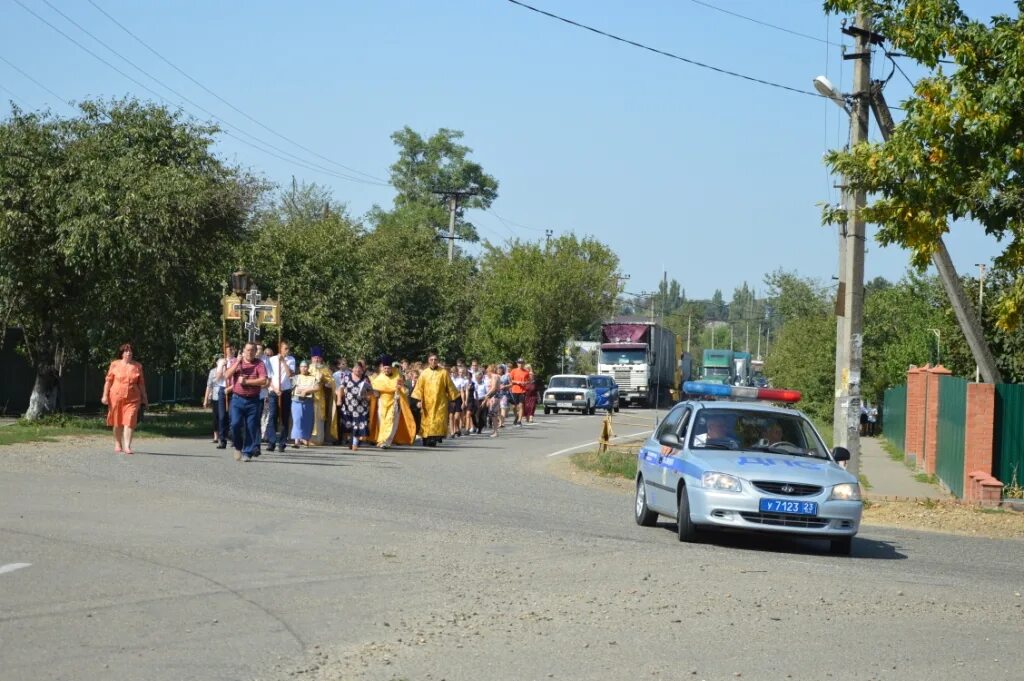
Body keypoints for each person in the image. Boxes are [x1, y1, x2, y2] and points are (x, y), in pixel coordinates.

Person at [223, 341, 269, 462]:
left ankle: (247, 452)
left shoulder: (259, 364)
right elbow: (227, 375)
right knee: (235, 424)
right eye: (247, 350)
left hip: (253, 400)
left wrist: (247, 382)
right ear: (243, 351)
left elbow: (263, 380)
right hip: (237, 399)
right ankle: (238, 446)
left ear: (256, 352)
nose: (250, 352)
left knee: (251, 427)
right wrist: (237, 362)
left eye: (252, 350)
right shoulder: (236, 362)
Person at [101, 342, 149, 455]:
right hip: (116, 397)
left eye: (130, 351)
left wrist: (145, 398)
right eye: (126, 351)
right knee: (117, 422)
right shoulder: (114, 364)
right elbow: (108, 381)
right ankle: (118, 443)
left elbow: (141, 384)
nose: (129, 353)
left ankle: (127, 446)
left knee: (130, 420)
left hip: (133, 398)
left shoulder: (138, 366)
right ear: (122, 354)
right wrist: (104, 395)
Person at [411, 353, 460, 447]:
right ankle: (426, 438)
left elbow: (450, 386)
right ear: (428, 361)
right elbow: (419, 388)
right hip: (427, 402)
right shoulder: (424, 373)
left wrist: (453, 400)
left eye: (435, 359)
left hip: (440, 402)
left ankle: (434, 439)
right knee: (427, 421)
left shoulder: (443, 372)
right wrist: (418, 401)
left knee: (437, 420)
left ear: (438, 361)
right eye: (431, 359)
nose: (433, 361)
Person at [370, 356, 415, 448]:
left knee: (392, 421)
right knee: (381, 421)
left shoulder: (397, 375)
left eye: (388, 368)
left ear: (391, 368)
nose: (386, 370)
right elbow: (375, 389)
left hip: (394, 401)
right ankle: (382, 440)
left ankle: (387, 442)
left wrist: (400, 389)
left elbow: (402, 388)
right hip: (382, 402)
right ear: (382, 368)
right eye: (385, 368)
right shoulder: (379, 378)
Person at [266, 340, 296, 453]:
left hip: (286, 391)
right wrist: (275, 388)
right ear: (280, 348)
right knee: (272, 415)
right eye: (285, 348)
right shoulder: (272, 359)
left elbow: (290, 374)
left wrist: (283, 361)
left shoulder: (291, 360)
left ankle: (282, 443)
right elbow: (269, 376)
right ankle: (271, 442)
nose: (287, 351)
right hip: (274, 391)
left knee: (284, 417)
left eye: (288, 349)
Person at [337, 361, 371, 451]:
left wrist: (367, 396)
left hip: (361, 407)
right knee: (348, 425)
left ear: (363, 370)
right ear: (352, 369)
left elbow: (370, 391)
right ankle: (351, 441)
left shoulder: (365, 378)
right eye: (356, 368)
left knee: (357, 424)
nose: (358, 370)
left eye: (360, 369)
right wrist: (339, 399)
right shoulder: (346, 377)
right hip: (348, 405)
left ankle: (355, 444)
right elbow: (341, 388)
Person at [308, 348, 336, 445]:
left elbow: (331, 382)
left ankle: (319, 439)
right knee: (309, 417)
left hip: (321, 398)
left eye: (318, 358)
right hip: (309, 397)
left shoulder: (325, 369)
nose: (316, 360)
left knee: (319, 417)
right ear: (311, 359)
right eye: (315, 358)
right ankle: (308, 438)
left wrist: (324, 380)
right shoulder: (307, 368)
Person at [290, 360, 318, 447]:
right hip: (296, 401)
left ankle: (306, 439)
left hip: (308, 402)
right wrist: (298, 390)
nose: (304, 368)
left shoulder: (313, 378)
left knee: (307, 421)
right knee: (297, 420)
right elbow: (291, 388)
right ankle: (297, 441)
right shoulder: (296, 377)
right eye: (302, 366)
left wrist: (306, 390)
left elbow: (317, 387)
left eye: (305, 366)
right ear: (300, 368)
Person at [203, 355, 224, 443]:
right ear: (217, 363)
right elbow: (209, 386)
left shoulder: (227, 371)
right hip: (215, 396)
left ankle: (224, 434)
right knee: (216, 416)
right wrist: (206, 399)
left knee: (223, 416)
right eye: (219, 363)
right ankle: (216, 436)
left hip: (225, 395)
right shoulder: (212, 372)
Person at [509, 358, 530, 427]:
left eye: (522, 363)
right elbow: (510, 380)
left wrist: (525, 383)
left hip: (522, 391)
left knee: (521, 405)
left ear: (524, 364)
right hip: (514, 390)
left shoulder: (526, 372)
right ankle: (517, 417)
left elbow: (528, 381)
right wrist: (516, 382)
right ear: (517, 364)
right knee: (514, 407)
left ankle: (519, 421)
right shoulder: (513, 371)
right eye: (519, 363)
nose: (520, 364)